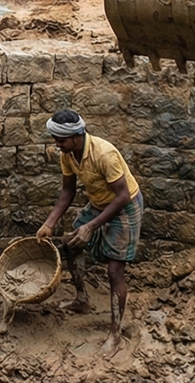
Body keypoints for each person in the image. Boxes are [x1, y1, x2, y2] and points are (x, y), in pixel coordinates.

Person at [36, 109, 144, 346]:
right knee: (70, 245)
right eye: (55, 139)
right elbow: (68, 191)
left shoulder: (104, 154)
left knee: (115, 272)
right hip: (99, 203)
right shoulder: (68, 154)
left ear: (77, 136)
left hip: (124, 207)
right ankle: (82, 300)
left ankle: (115, 334)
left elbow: (123, 196)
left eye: (61, 140)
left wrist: (91, 227)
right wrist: (49, 224)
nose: (57, 144)